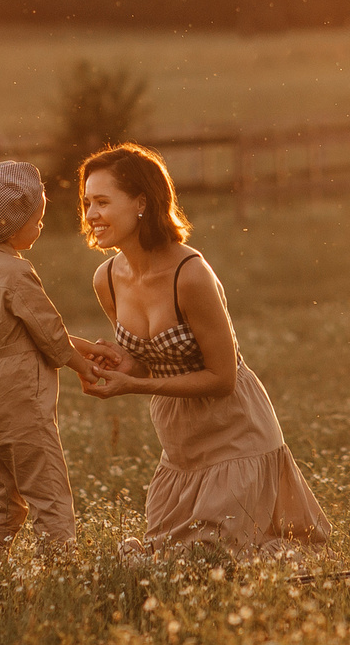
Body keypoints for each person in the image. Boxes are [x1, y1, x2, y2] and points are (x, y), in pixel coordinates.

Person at [76, 143, 330, 555]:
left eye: (102, 202)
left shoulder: (190, 275)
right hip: (180, 449)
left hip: (237, 438)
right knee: (167, 565)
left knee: (220, 562)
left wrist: (132, 386)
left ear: (141, 203)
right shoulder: (106, 278)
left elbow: (222, 378)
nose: (90, 215)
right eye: (87, 203)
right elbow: (148, 363)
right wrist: (121, 365)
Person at [0, 160, 108, 553]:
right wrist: (84, 367)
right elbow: (50, 334)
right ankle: (64, 576)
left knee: (3, 500)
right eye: (36, 220)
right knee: (50, 495)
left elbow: (27, 330)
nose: (40, 227)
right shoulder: (15, 273)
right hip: (23, 410)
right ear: (9, 225)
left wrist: (86, 346)